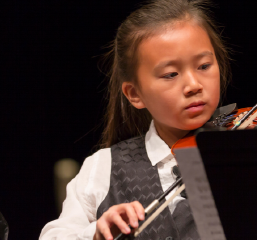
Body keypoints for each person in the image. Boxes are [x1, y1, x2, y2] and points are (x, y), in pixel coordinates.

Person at [39, 0, 230, 239]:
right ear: (135, 94)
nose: (193, 85)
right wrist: (96, 232)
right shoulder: (103, 167)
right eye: (171, 74)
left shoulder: (249, 149)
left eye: (204, 66)